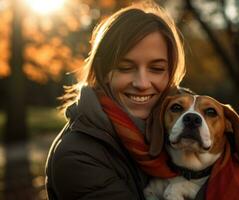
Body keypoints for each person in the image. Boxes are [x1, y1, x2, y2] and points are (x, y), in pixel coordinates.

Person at [45, 1, 186, 199]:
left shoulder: (193, 124)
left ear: (170, 75)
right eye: (125, 68)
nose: (142, 83)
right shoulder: (77, 155)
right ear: (102, 72)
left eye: (157, 69)